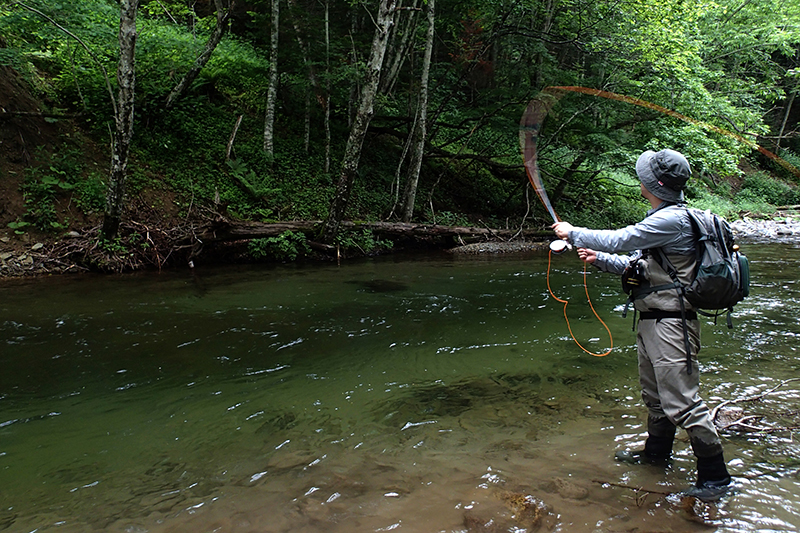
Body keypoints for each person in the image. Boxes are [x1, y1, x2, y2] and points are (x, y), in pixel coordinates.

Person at [551, 148, 732, 501]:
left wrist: (573, 233)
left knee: (682, 403)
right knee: (654, 399)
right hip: (653, 321)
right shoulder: (663, 218)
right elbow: (640, 267)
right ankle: (656, 456)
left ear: (652, 183)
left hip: (671, 325)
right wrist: (599, 259)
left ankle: (716, 477)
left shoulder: (671, 220)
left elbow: (623, 239)